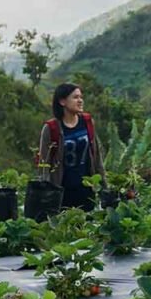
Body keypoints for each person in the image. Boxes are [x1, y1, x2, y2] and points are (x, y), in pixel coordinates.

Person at [37, 82, 107, 211]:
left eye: (81, 97)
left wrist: (104, 186)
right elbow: (44, 164)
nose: (80, 101)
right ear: (62, 101)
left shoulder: (87, 122)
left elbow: (97, 157)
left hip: (87, 190)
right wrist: (46, 195)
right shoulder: (51, 128)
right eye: (75, 97)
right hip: (62, 192)